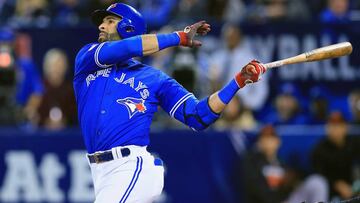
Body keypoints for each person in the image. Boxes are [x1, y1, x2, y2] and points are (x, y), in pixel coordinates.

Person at [73, 3, 266, 203]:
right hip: (99, 173)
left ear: (128, 27)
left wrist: (237, 82)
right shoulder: (87, 59)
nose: (101, 26)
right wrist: (178, 37)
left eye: (110, 21)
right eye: (102, 22)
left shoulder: (154, 78)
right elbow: (128, 47)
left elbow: (198, 116)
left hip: (131, 167)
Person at [242, 125, 328, 203]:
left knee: (317, 182)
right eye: (265, 138)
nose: (268, 142)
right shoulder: (252, 161)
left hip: (286, 200)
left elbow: (291, 184)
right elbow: (255, 189)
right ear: (259, 142)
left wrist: (292, 183)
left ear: (278, 142)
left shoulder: (281, 162)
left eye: (271, 138)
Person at [311, 111, 360, 201]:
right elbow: (319, 174)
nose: (335, 129)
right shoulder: (319, 149)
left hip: (353, 187)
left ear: (345, 127)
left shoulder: (354, 143)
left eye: (338, 125)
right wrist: (337, 184)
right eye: (332, 125)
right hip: (329, 192)